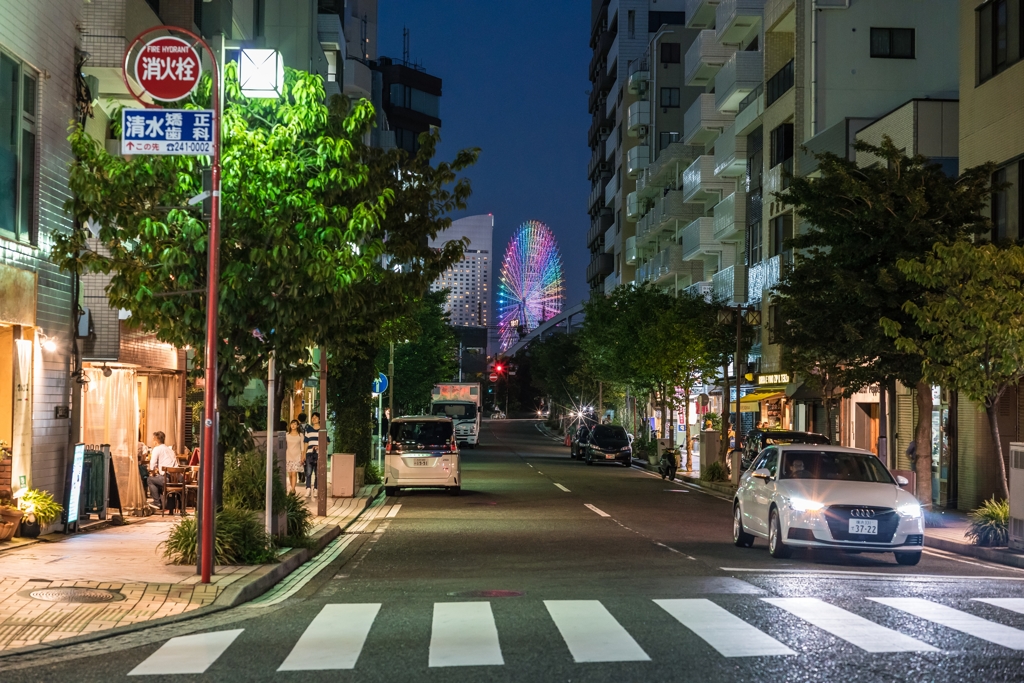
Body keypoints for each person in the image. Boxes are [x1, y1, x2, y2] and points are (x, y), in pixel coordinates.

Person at [147, 431, 178, 510]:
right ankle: (165, 504)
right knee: (157, 479)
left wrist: (152, 472)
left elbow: (152, 466)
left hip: (166, 478)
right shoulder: (170, 450)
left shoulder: (157, 449)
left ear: (155, 440)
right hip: (176, 479)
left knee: (150, 480)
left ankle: (157, 503)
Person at [285, 420, 304, 493]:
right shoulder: (287, 435)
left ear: (298, 426)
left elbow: (302, 447)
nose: (293, 425)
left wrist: (302, 456)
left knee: (294, 473)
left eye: (295, 424)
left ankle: (293, 489)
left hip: (297, 456)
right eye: (292, 424)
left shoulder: (300, 435)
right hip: (288, 456)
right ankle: (292, 487)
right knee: (289, 474)